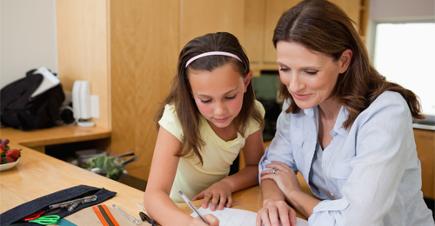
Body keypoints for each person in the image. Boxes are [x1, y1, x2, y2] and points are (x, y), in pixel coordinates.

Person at [256, 1, 435, 226]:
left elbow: (356, 221)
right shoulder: (299, 103)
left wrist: (293, 193)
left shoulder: (385, 113)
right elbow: (273, 164)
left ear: (343, 61)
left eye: (309, 71)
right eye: (284, 69)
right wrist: (272, 202)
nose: (293, 85)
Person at [144, 32, 265, 226]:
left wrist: (227, 184)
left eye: (230, 96)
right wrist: (188, 224)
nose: (220, 111)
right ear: (190, 92)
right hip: (175, 211)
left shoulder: (251, 114)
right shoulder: (176, 117)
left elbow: (256, 167)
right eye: (206, 100)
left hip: (218, 207)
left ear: (246, 82)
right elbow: (153, 196)